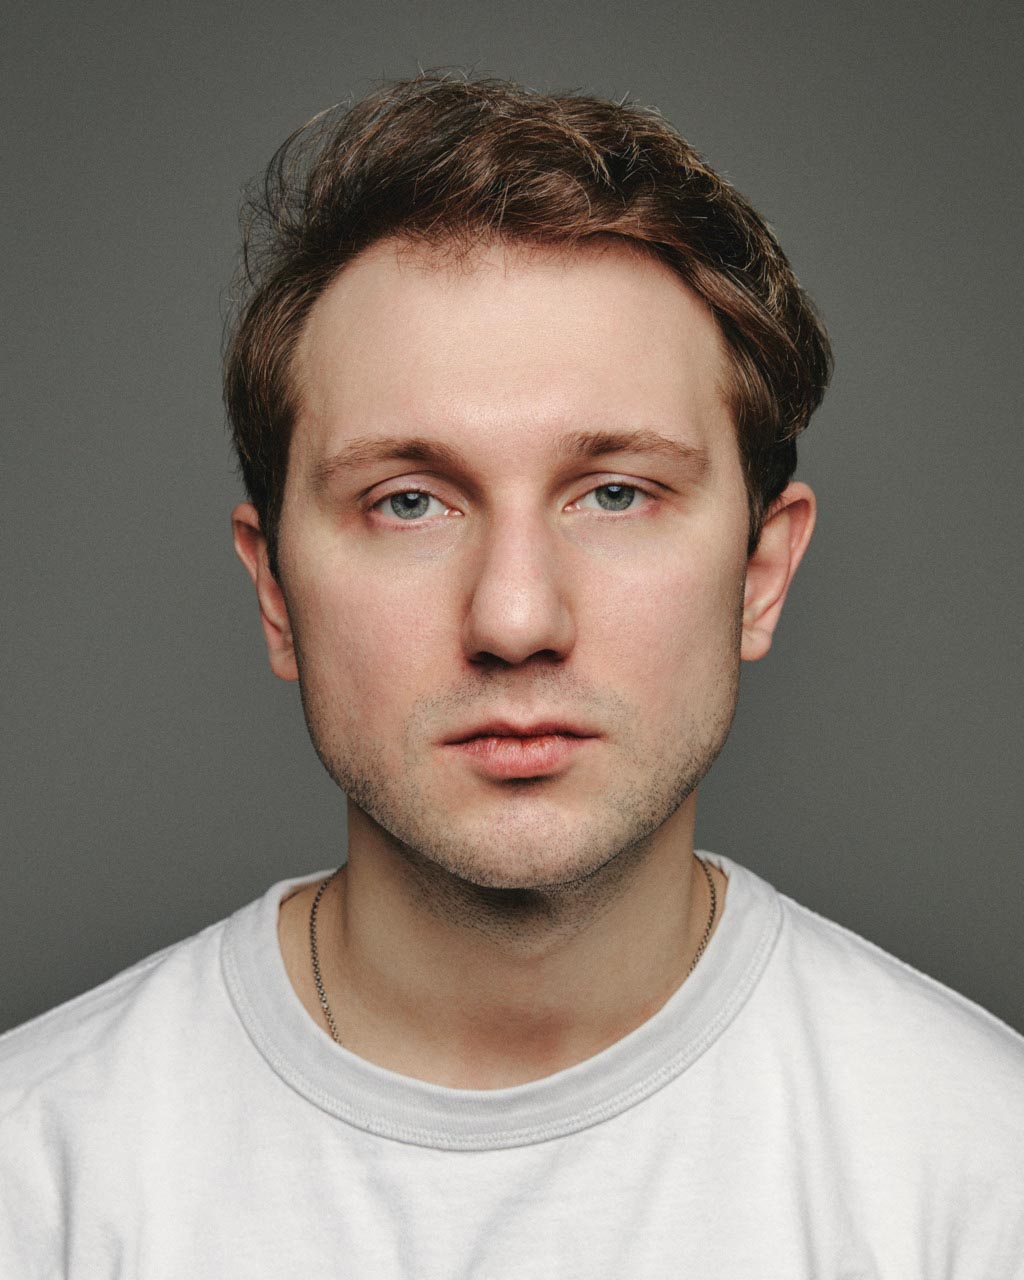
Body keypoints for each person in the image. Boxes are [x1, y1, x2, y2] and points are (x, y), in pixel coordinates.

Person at [1, 73, 1022, 1277]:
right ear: (275, 589)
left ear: (760, 572)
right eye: (409, 501)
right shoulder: (37, 1180)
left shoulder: (983, 1173)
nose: (516, 617)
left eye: (615, 492)